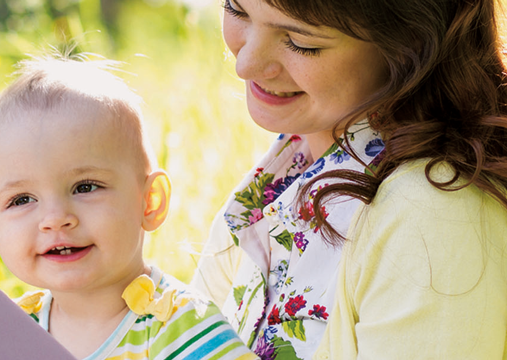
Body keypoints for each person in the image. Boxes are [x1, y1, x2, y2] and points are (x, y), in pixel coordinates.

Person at [192, 0, 507, 359]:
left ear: (408, 44)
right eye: (237, 9)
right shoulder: (288, 165)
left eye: (300, 42)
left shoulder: (434, 218)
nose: (244, 64)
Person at [0, 55, 258, 360]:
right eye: (22, 200)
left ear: (150, 201)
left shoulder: (180, 326)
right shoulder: (10, 335)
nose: (55, 220)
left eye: (85, 187)